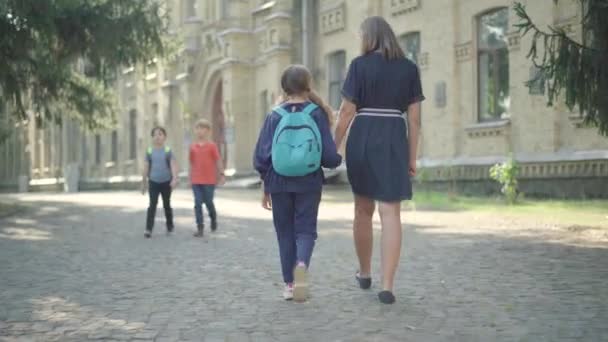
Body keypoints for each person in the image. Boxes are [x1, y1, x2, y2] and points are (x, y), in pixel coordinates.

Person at [333, 16, 425, 304]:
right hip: (394, 138)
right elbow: (415, 119)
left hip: (363, 135)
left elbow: (346, 111)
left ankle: (364, 272)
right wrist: (412, 158)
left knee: (363, 209)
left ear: (368, 37)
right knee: (391, 212)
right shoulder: (409, 68)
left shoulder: (359, 66)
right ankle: (387, 286)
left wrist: (333, 147)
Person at [254, 65, 342, 302]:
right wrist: (337, 158)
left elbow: (262, 156)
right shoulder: (317, 113)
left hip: (278, 182)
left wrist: (265, 183)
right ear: (308, 86)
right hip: (309, 182)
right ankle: (301, 264)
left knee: (284, 233)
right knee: (305, 231)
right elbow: (329, 156)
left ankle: (290, 285)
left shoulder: (274, 115)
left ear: (284, 88)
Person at [190, 119, 225, 237]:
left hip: (209, 180)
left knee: (209, 202)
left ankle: (213, 218)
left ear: (208, 131)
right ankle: (200, 227)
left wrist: (222, 174)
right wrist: (191, 178)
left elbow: (218, 160)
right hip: (196, 180)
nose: (200, 131)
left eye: (203, 128)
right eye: (198, 128)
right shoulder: (193, 147)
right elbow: (192, 163)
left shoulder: (212, 146)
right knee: (198, 203)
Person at [142, 126, 178, 238]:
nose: (157, 136)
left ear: (164, 137)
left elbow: (173, 165)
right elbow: (146, 167)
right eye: (155, 134)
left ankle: (170, 227)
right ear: (152, 137)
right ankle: (148, 229)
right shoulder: (149, 151)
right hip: (153, 182)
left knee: (167, 204)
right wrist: (144, 182)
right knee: (152, 205)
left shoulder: (167, 150)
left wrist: (174, 178)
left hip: (166, 182)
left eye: (160, 134)